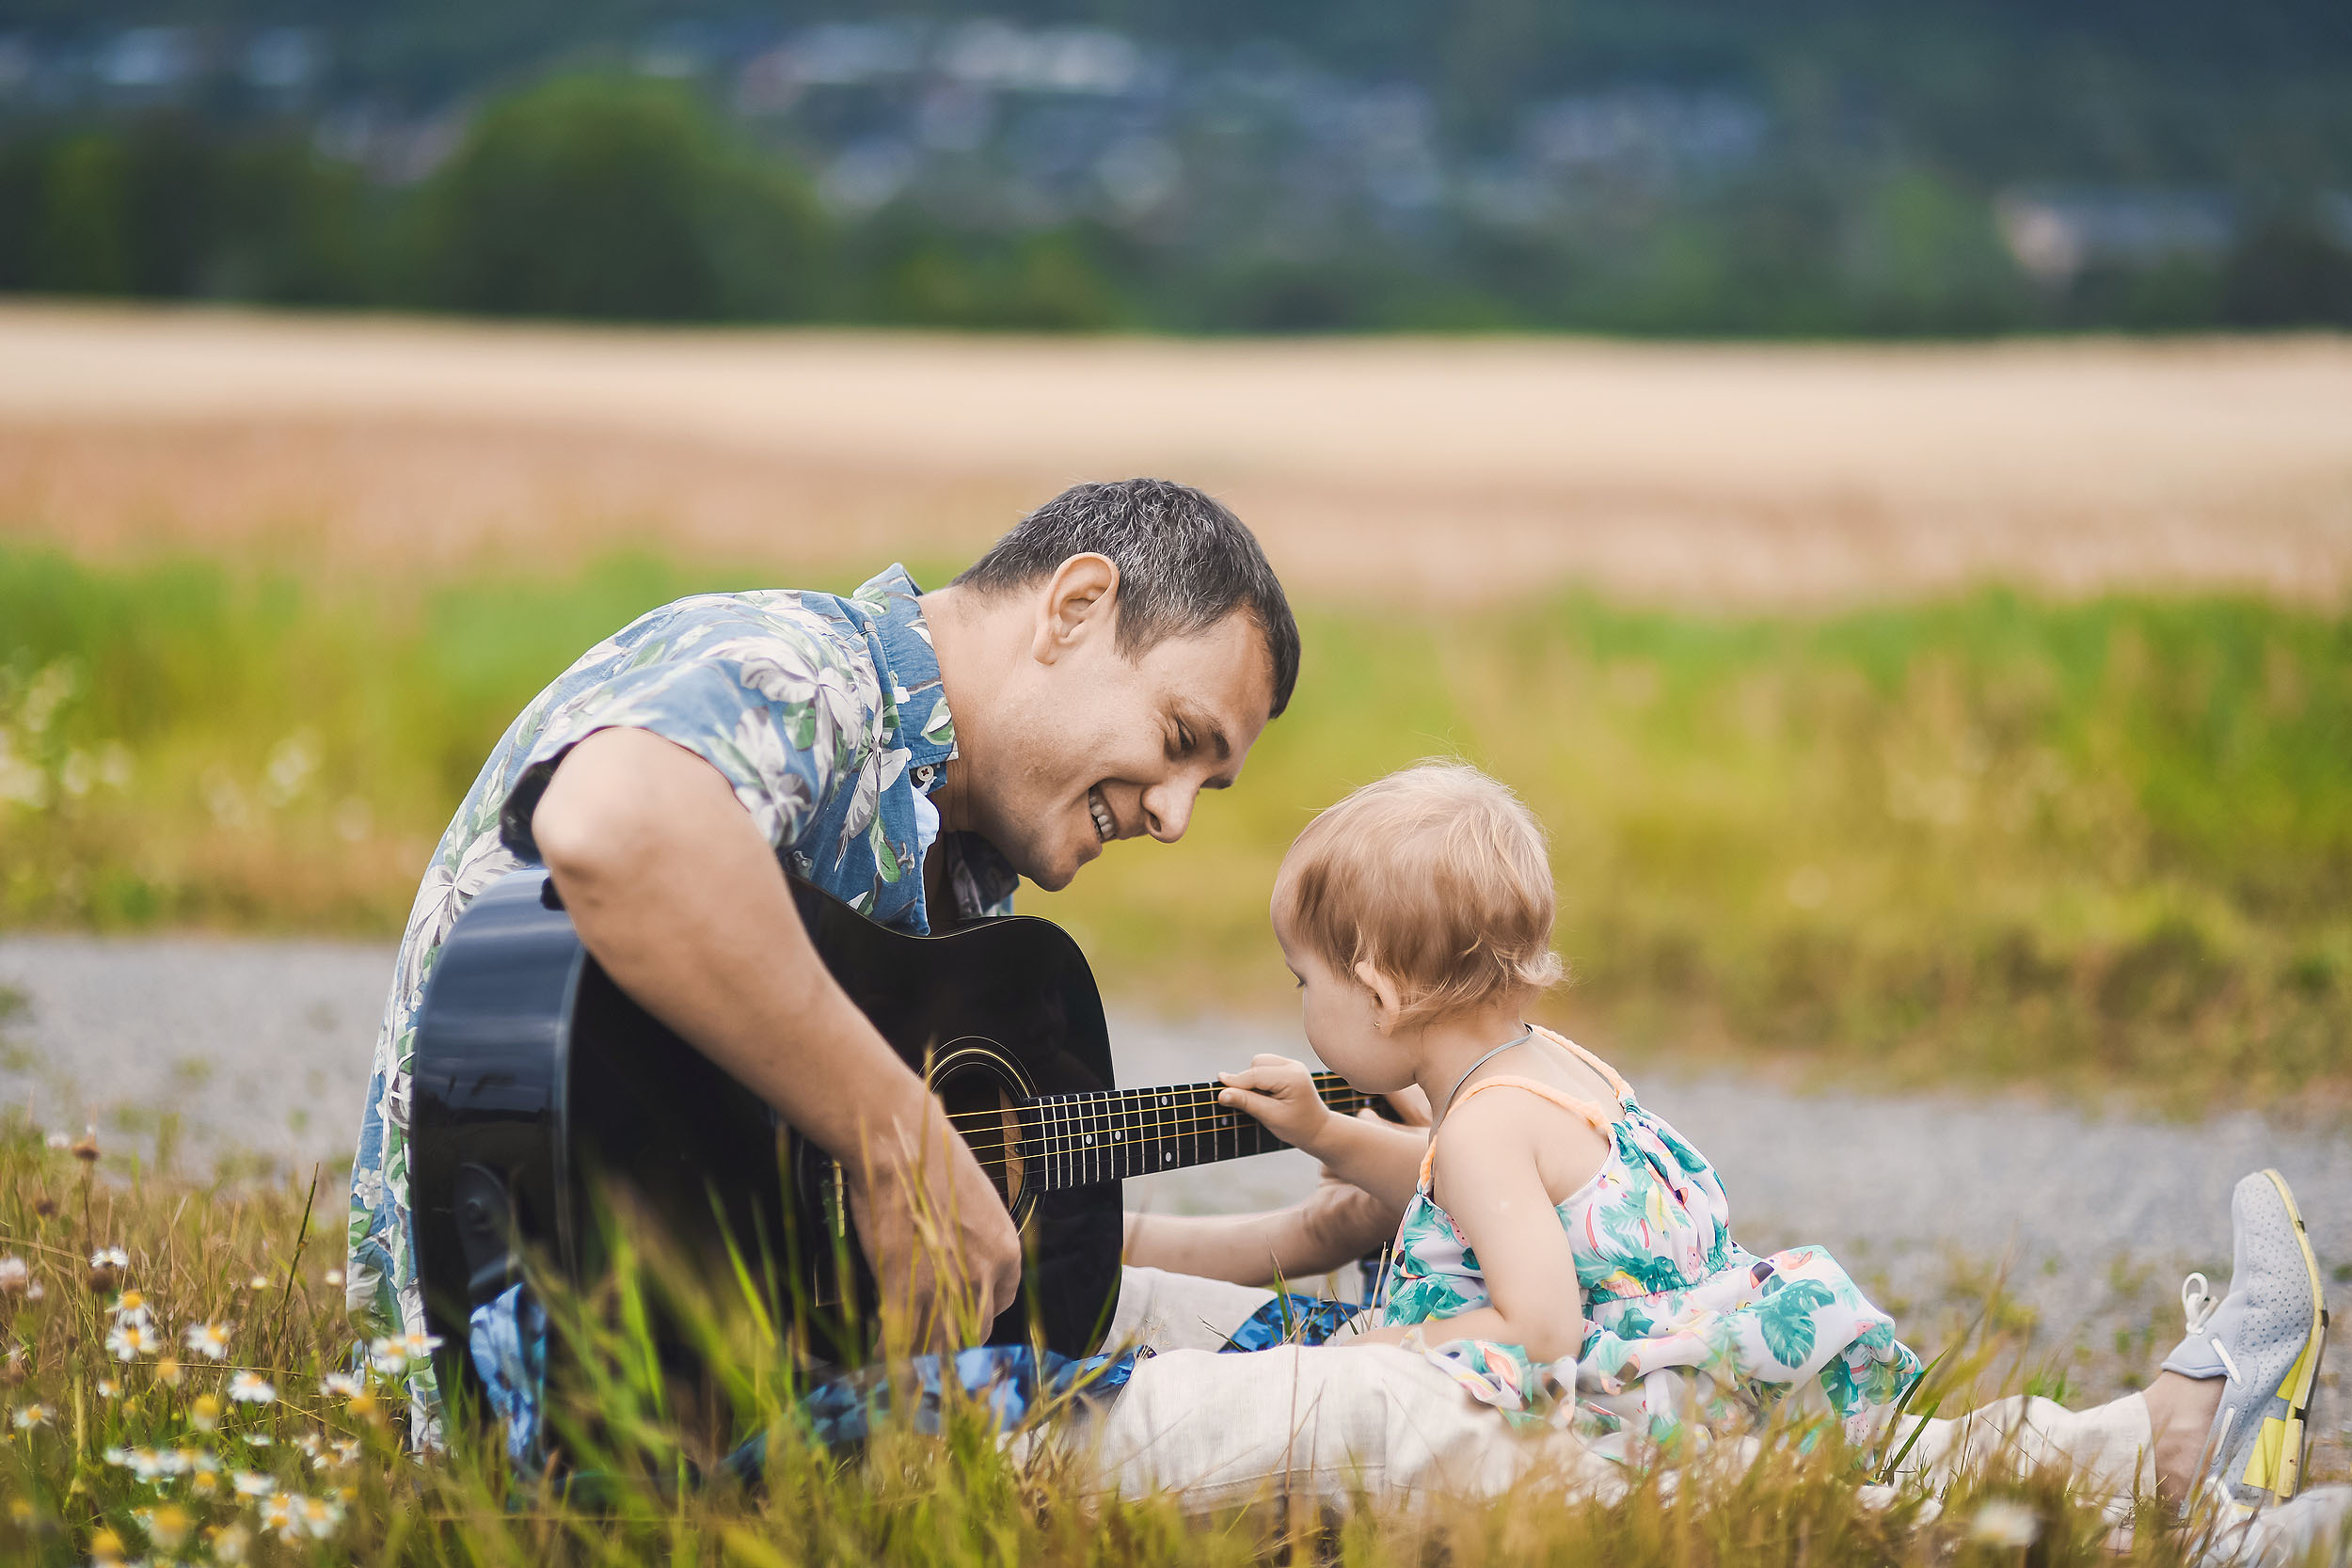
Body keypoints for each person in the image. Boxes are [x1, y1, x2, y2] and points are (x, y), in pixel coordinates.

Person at [1078, 764, 2336, 1556]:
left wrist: (1395, 1342)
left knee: (1880, 1497)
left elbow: (1539, 1319)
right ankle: (2166, 1444)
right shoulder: (1548, 1070)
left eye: (1303, 978)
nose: (1299, 1003)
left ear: (1384, 986)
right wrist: (1319, 1135)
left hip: (1619, 1412)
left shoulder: (1483, 1126)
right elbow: (1458, 1196)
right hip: (1707, 1371)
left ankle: (2191, 1496)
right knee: (1896, 1455)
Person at [343, 478, 1301, 1438]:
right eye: (1180, 739)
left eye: (1206, 785)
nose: (1174, 815)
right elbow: (613, 824)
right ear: (1077, 606)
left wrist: (1309, 1225)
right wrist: (900, 1142)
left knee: (1307, 1356)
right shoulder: (801, 672)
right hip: (572, 1403)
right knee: (1319, 1416)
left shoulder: (962, 864)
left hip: (756, 1380)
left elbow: (945, 1216)